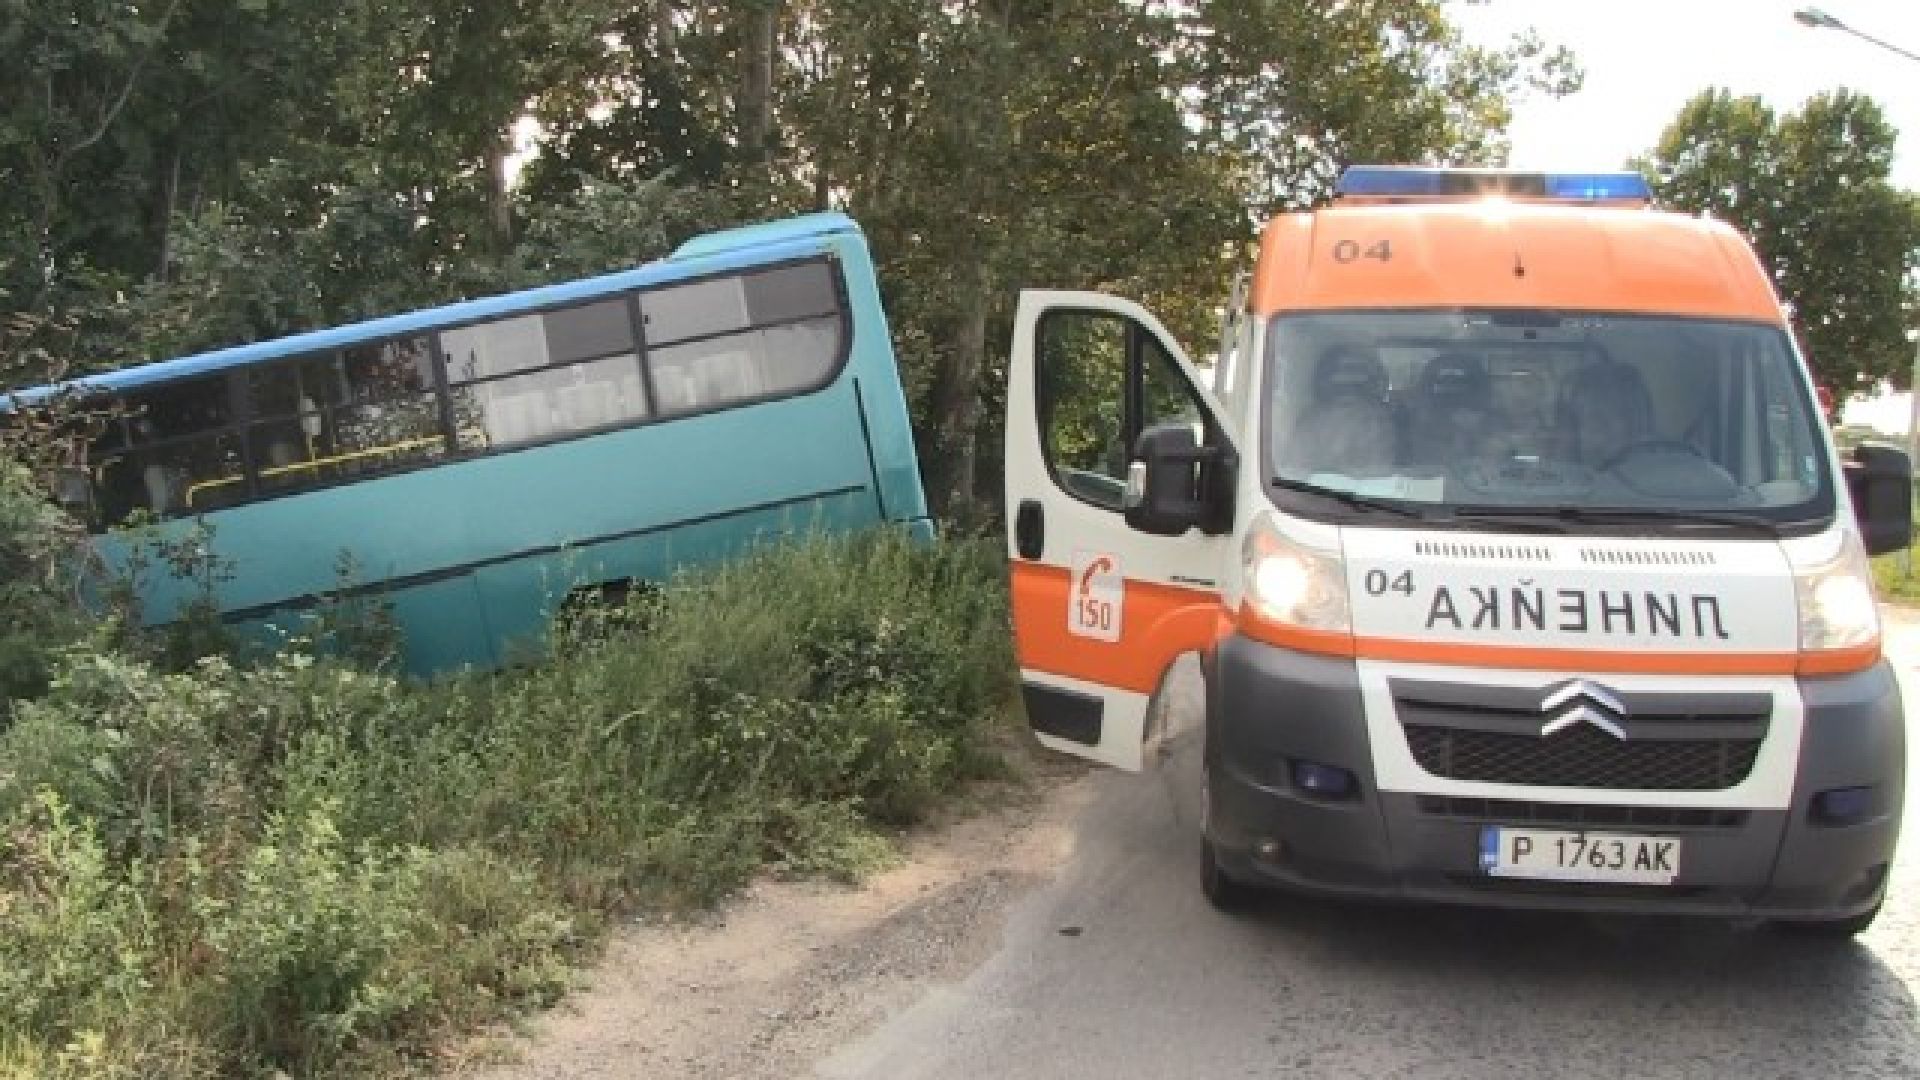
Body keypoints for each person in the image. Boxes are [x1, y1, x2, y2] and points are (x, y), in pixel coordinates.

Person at [1275, 345, 1396, 478]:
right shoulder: (1377, 419)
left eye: (1353, 374)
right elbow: (1294, 470)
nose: (1347, 380)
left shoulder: (1311, 418)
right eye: (1344, 374)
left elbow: (1378, 472)